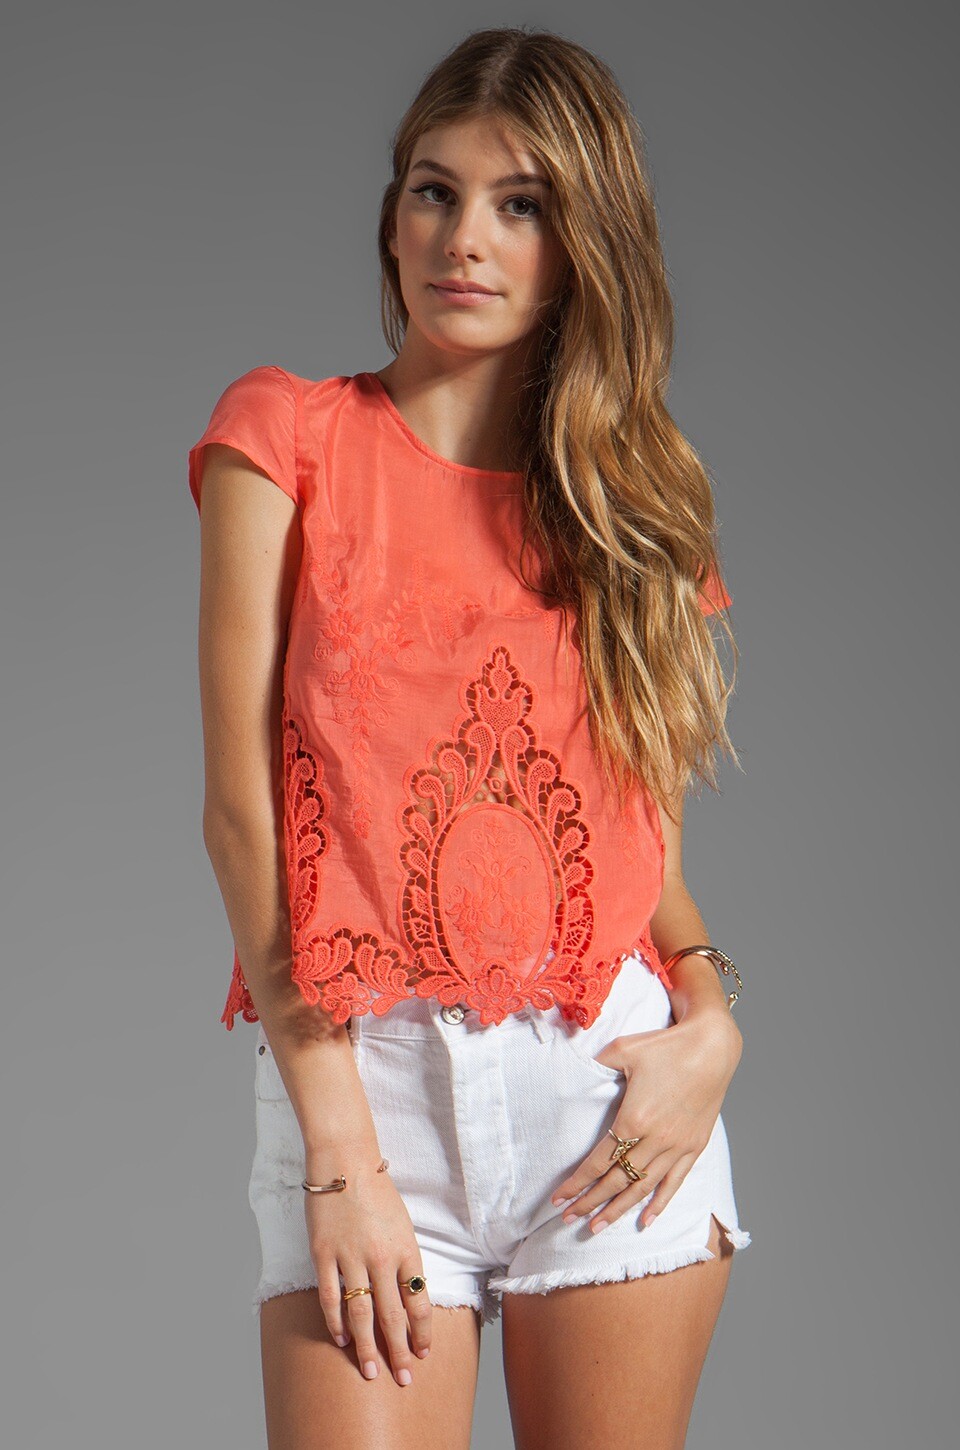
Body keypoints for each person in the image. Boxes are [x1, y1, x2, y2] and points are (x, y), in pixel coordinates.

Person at [187, 24, 752, 1450]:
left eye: (522, 205)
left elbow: (647, 854)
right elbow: (243, 816)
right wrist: (337, 1150)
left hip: (607, 1099)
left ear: (583, 247)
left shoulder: (635, 516)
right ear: (392, 214)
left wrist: (712, 1024)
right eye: (435, 191)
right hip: (358, 1081)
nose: (465, 238)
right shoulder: (285, 440)